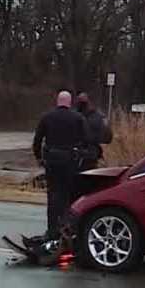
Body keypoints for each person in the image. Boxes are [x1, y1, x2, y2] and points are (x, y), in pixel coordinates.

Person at [32, 90, 89, 240]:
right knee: (68, 195)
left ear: (57, 101)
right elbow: (86, 140)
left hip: (52, 160)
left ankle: (52, 230)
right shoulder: (78, 118)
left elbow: (37, 140)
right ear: (69, 103)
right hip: (69, 160)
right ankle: (66, 230)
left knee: (53, 195)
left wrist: (39, 157)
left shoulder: (47, 117)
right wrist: (81, 155)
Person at [75, 91, 113, 171]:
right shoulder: (99, 116)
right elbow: (108, 137)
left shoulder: (74, 116)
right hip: (93, 153)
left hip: (79, 154)